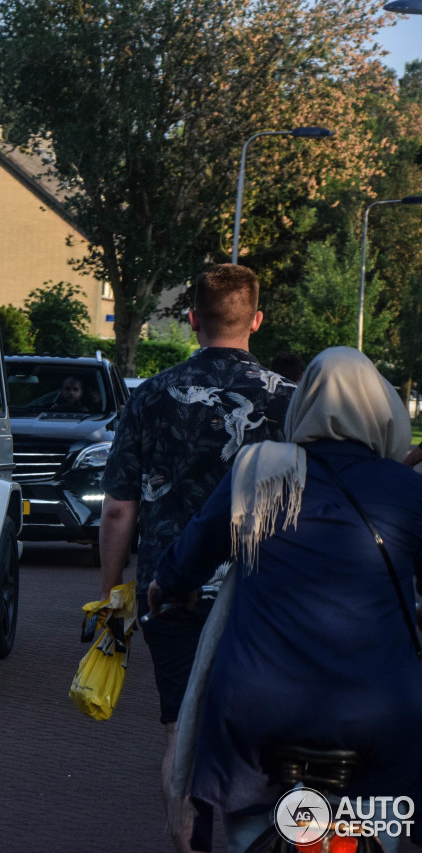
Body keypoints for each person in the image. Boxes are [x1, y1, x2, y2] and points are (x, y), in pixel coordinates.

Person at [149, 347, 422, 853]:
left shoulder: (259, 470)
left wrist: (168, 588)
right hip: (379, 714)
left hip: (258, 710)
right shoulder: (407, 489)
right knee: (380, 819)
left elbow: (193, 554)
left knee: (248, 829)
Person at [98, 263, 296, 853]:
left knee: (178, 736)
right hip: (262, 596)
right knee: (260, 736)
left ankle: (186, 844)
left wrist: (114, 594)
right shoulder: (287, 401)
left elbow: (117, 510)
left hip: (171, 591)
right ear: (256, 320)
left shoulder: (151, 395)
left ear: (191, 321)